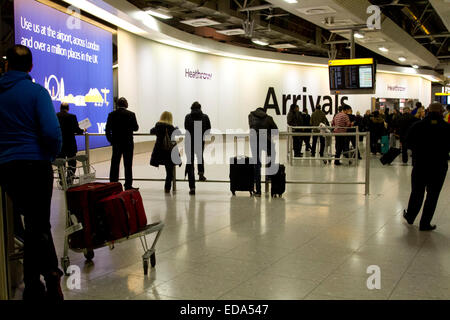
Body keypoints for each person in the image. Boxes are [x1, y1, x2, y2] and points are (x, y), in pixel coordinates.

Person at [0, 45, 63, 300]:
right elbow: (51, 133)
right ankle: (51, 277)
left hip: (7, 168)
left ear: (6, 65)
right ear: (31, 67)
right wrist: (47, 156)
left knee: (30, 227)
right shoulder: (37, 92)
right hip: (35, 166)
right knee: (40, 226)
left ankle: (32, 283)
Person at [403, 102, 450, 231]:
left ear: (428, 111)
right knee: (432, 195)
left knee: (417, 192)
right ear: (441, 112)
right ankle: (425, 223)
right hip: (438, 167)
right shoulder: (446, 127)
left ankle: (410, 217)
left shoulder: (417, 126)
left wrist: (417, 150)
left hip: (420, 165)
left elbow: (407, 142)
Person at [105, 97, 139, 190]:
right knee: (128, 165)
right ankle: (128, 185)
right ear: (126, 104)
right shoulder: (131, 114)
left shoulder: (112, 115)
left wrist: (111, 140)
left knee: (115, 164)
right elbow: (136, 128)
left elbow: (107, 129)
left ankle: (113, 184)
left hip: (116, 143)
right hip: (128, 143)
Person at [249, 107, 278, 196]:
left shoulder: (250, 116)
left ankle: (258, 191)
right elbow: (275, 130)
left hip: (254, 141)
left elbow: (251, 127)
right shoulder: (269, 118)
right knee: (272, 155)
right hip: (266, 141)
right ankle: (269, 177)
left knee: (257, 165)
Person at [150, 111, 181, 193]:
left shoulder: (158, 126)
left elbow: (151, 131)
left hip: (159, 152)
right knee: (169, 172)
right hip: (169, 153)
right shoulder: (171, 127)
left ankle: (167, 188)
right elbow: (175, 136)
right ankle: (167, 188)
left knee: (168, 171)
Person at [184, 101, 211, 195]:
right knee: (200, 157)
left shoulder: (188, 117)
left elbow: (186, 128)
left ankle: (192, 188)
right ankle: (201, 173)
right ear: (200, 108)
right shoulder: (205, 117)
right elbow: (208, 130)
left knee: (190, 162)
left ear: (191, 108)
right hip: (200, 140)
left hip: (189, 141)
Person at [56, 102, 84, 185]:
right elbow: (77, 130)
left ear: (60, 108)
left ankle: (62, 181)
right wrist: (83, 130)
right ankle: (69, 180)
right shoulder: (72, 117)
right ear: (68, 108)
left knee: (60, 163)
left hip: (60, 144)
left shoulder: (56, 116)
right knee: (72, 162)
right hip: (70, 144)